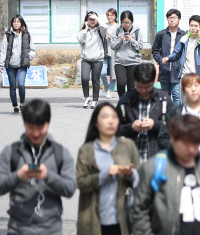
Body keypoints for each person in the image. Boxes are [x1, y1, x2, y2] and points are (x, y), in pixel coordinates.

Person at [132, 114, 200, 234]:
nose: (191, 149)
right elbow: (139, 209)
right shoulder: (154, 167)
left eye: (196, 143)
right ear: (172, 138)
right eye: (186, 143)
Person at [0, 99, 76, 234]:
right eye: (31, 128)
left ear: (48, 123)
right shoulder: (11, 152)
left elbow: (70, 189)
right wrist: (17, 176)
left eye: (40, 128)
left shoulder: (60, 153)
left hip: (51, 229)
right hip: (17, 229)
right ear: (24, 124)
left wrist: (48, 176)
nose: (35, 133)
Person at [76, 103, 140, 235]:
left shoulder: (128, 146)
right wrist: (104, 174)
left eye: (114, 117)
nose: (110, 121)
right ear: (95, 123)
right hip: (94, 221)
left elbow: (141, 181)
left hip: (122, 221)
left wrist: (130, 174)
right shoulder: (87, 150)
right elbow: (80, 182)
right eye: (105, 117)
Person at [116, 63, 172, 164]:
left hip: (157, 159)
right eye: (139, 87)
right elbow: (115, 130)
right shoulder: (125, 101)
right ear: (134, 81)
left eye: (148, 87)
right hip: (131, 160)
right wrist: (131, 127)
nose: (143, 90)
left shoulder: (164, 100)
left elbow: (175, 128)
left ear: (153, 81)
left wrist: (155, 124)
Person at [165, 73, 200, 153]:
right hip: (182, 161)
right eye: (189, 86)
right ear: (183, 90)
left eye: (196, 85)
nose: (193, 89)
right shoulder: (175, 112)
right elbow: (164, 137)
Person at [0, 15, 36, 115]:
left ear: (21, 23)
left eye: (18, 22)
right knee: (12, 86)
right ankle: (15, 106)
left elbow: (33, 50)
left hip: (22, 65)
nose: (16, 24)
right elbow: (3, 51)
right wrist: (1, 65)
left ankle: (22, 104)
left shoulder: (26, 35)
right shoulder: (8, 35)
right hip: (10, 65)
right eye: (14, 22)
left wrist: (28, 57)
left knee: (21, 84)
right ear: (12, 23)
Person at [152, 9, 187, 107]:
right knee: (165, 95)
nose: (171, 20)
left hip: (178, 70)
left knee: (176, 95)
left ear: (179, 19)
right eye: (169, 18)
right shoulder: (161, 34)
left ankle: (176, 117)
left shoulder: (184, 35)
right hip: (165, 69)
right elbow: (155, 50)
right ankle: (166, 116)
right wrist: (160, 61)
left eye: (174, 18)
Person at [162, 15, 200, 81]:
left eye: (196, 26)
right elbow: (176, 53)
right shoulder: (184, 39)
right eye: (191, 25)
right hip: (185, 75)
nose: (193, 28)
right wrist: (168, 58)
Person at [78, 12, 108, 109]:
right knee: (84, 78)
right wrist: (86, 29)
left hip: (98, 59)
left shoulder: (100, 30)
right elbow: (79, 39)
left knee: (95, 80)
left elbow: (105, 27)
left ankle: (95, 100)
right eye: (90, 19)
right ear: (86, 20)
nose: (92, 21)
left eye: (94, 19)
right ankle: (86, 98)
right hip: (86, 59)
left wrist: (97, 18)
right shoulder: (84, 31)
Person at [110, 10, 143, 98]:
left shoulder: (137, 31)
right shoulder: (117, 31)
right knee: (121, 83)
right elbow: (113, 46)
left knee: (131, 86)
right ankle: (122, 100)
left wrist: (132, 40)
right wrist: (120, 40)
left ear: (132, 21)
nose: (126, 24)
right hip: (119, 61)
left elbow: (140, 47)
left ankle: (130, 104)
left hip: (133, 61)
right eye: (124, 22)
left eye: (128, 22)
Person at [100, 9, 118, 100]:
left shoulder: (118, 27)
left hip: (114, 52)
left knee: (113, 73)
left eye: (111, 15)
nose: (109, 17)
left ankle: (110, 91)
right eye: (108, 15)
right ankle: (106, 86)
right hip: (104, 52)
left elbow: (116, 39)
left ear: (115, 16)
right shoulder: (104, 25)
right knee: (102, 72)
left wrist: (108, 33)